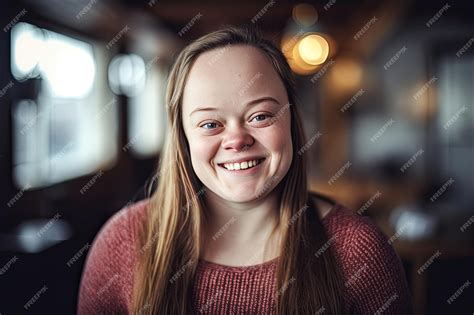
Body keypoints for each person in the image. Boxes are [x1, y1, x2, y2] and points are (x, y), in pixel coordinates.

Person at [77, 25, 412, 314]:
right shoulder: (121, 242)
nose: (236, 139)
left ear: (292, 124)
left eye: (260, 116)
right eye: (209, 123)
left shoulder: (360, 251)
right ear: (183, 140)